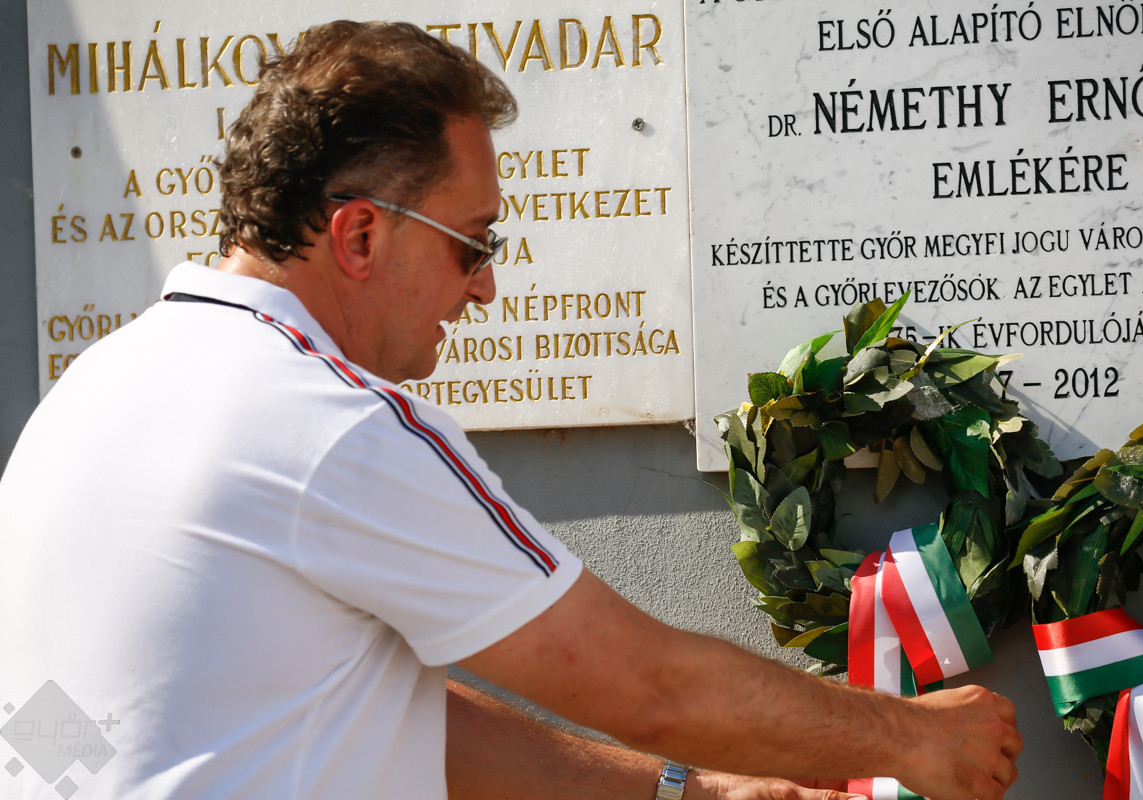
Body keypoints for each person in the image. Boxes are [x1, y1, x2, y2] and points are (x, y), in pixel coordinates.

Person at [0, 20, 1020, 800]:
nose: (485, 286)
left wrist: (687, 790)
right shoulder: (329, 423)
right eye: (473, 243)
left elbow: (315, 712)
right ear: (359, 237)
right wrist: (916, 738)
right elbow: (646, 685)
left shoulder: (90, 392)